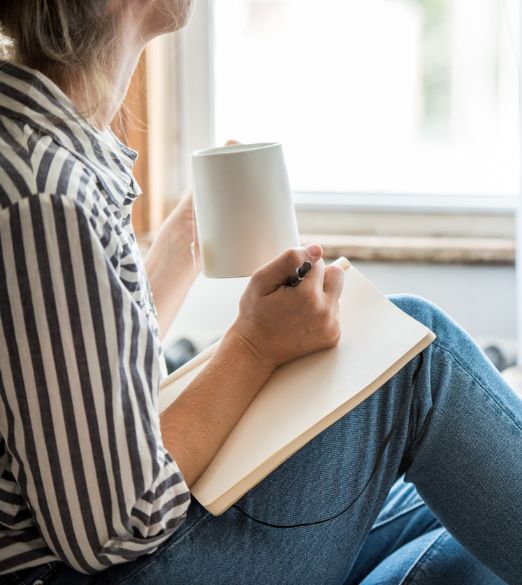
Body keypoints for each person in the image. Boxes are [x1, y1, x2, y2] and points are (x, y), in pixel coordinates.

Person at [0, 2, 520, 584]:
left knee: (463, 496)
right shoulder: (45, 197)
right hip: (101, 572)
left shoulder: (37, 150)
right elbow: (116, 523)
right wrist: (253, 346)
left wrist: (179, 251)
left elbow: (78, 395)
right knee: (423, 356)